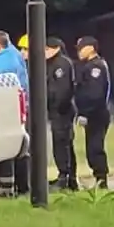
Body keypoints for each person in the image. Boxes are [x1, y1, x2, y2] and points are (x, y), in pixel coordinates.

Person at [0, 31, 30, 196]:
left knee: (9, 148)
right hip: (17, 109)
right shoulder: (11, 56)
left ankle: (8, 188)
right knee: (20, 148)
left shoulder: (4, 63)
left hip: (8, 111)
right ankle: (20, 186)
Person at [75, 36, 112, 189]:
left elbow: (95, 95)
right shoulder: (90, 65)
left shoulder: (95, 67)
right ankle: (99, 179)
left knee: (95, 148)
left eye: (81, 48)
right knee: (92, 148)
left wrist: (85, 112)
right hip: (95, 114)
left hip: (96, 114)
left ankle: (102, 181)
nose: (78, 51)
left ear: (90, 48)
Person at [45, 36, 78, 191]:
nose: (45, 52)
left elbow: (63, 90)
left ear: (56, 48)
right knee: (64, 144)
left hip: (62, 111)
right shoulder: (52, 63)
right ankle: (69, 178)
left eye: (47, 49)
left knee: (61, 143)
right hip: (57, 110)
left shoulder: (61, 64)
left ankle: (64, 177)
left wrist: (57, 106)